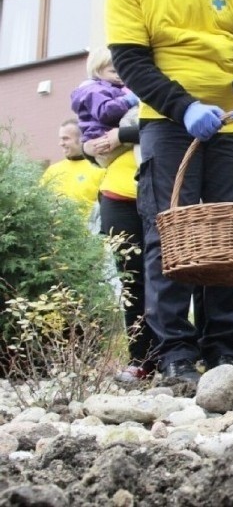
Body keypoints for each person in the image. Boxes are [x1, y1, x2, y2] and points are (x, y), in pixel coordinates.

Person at [105, 0, 233, 382]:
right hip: (166, 121)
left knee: (231, 237)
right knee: (169, 233)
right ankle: (175, 350)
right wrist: (182, 107)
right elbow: (131, 61)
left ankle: (224, 347)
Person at [70, 49, 157, 382]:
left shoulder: (145, 88)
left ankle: (173, 352)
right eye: (113, 67)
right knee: (133, 280)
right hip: (118, 195)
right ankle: (141, 359)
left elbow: (164, 127)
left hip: (159, 192)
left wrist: (121, 135)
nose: (120, 72)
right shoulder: (106, 94)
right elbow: (92, 142)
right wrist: (92, 149)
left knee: (164, 277)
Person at [40, 119, 105, 223]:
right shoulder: (52, 171)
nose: (61, 143)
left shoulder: (100, 169)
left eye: (65, 139)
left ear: (81, 139)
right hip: (54, 235)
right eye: (60, 139)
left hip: (87, 235)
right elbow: (40, 203)